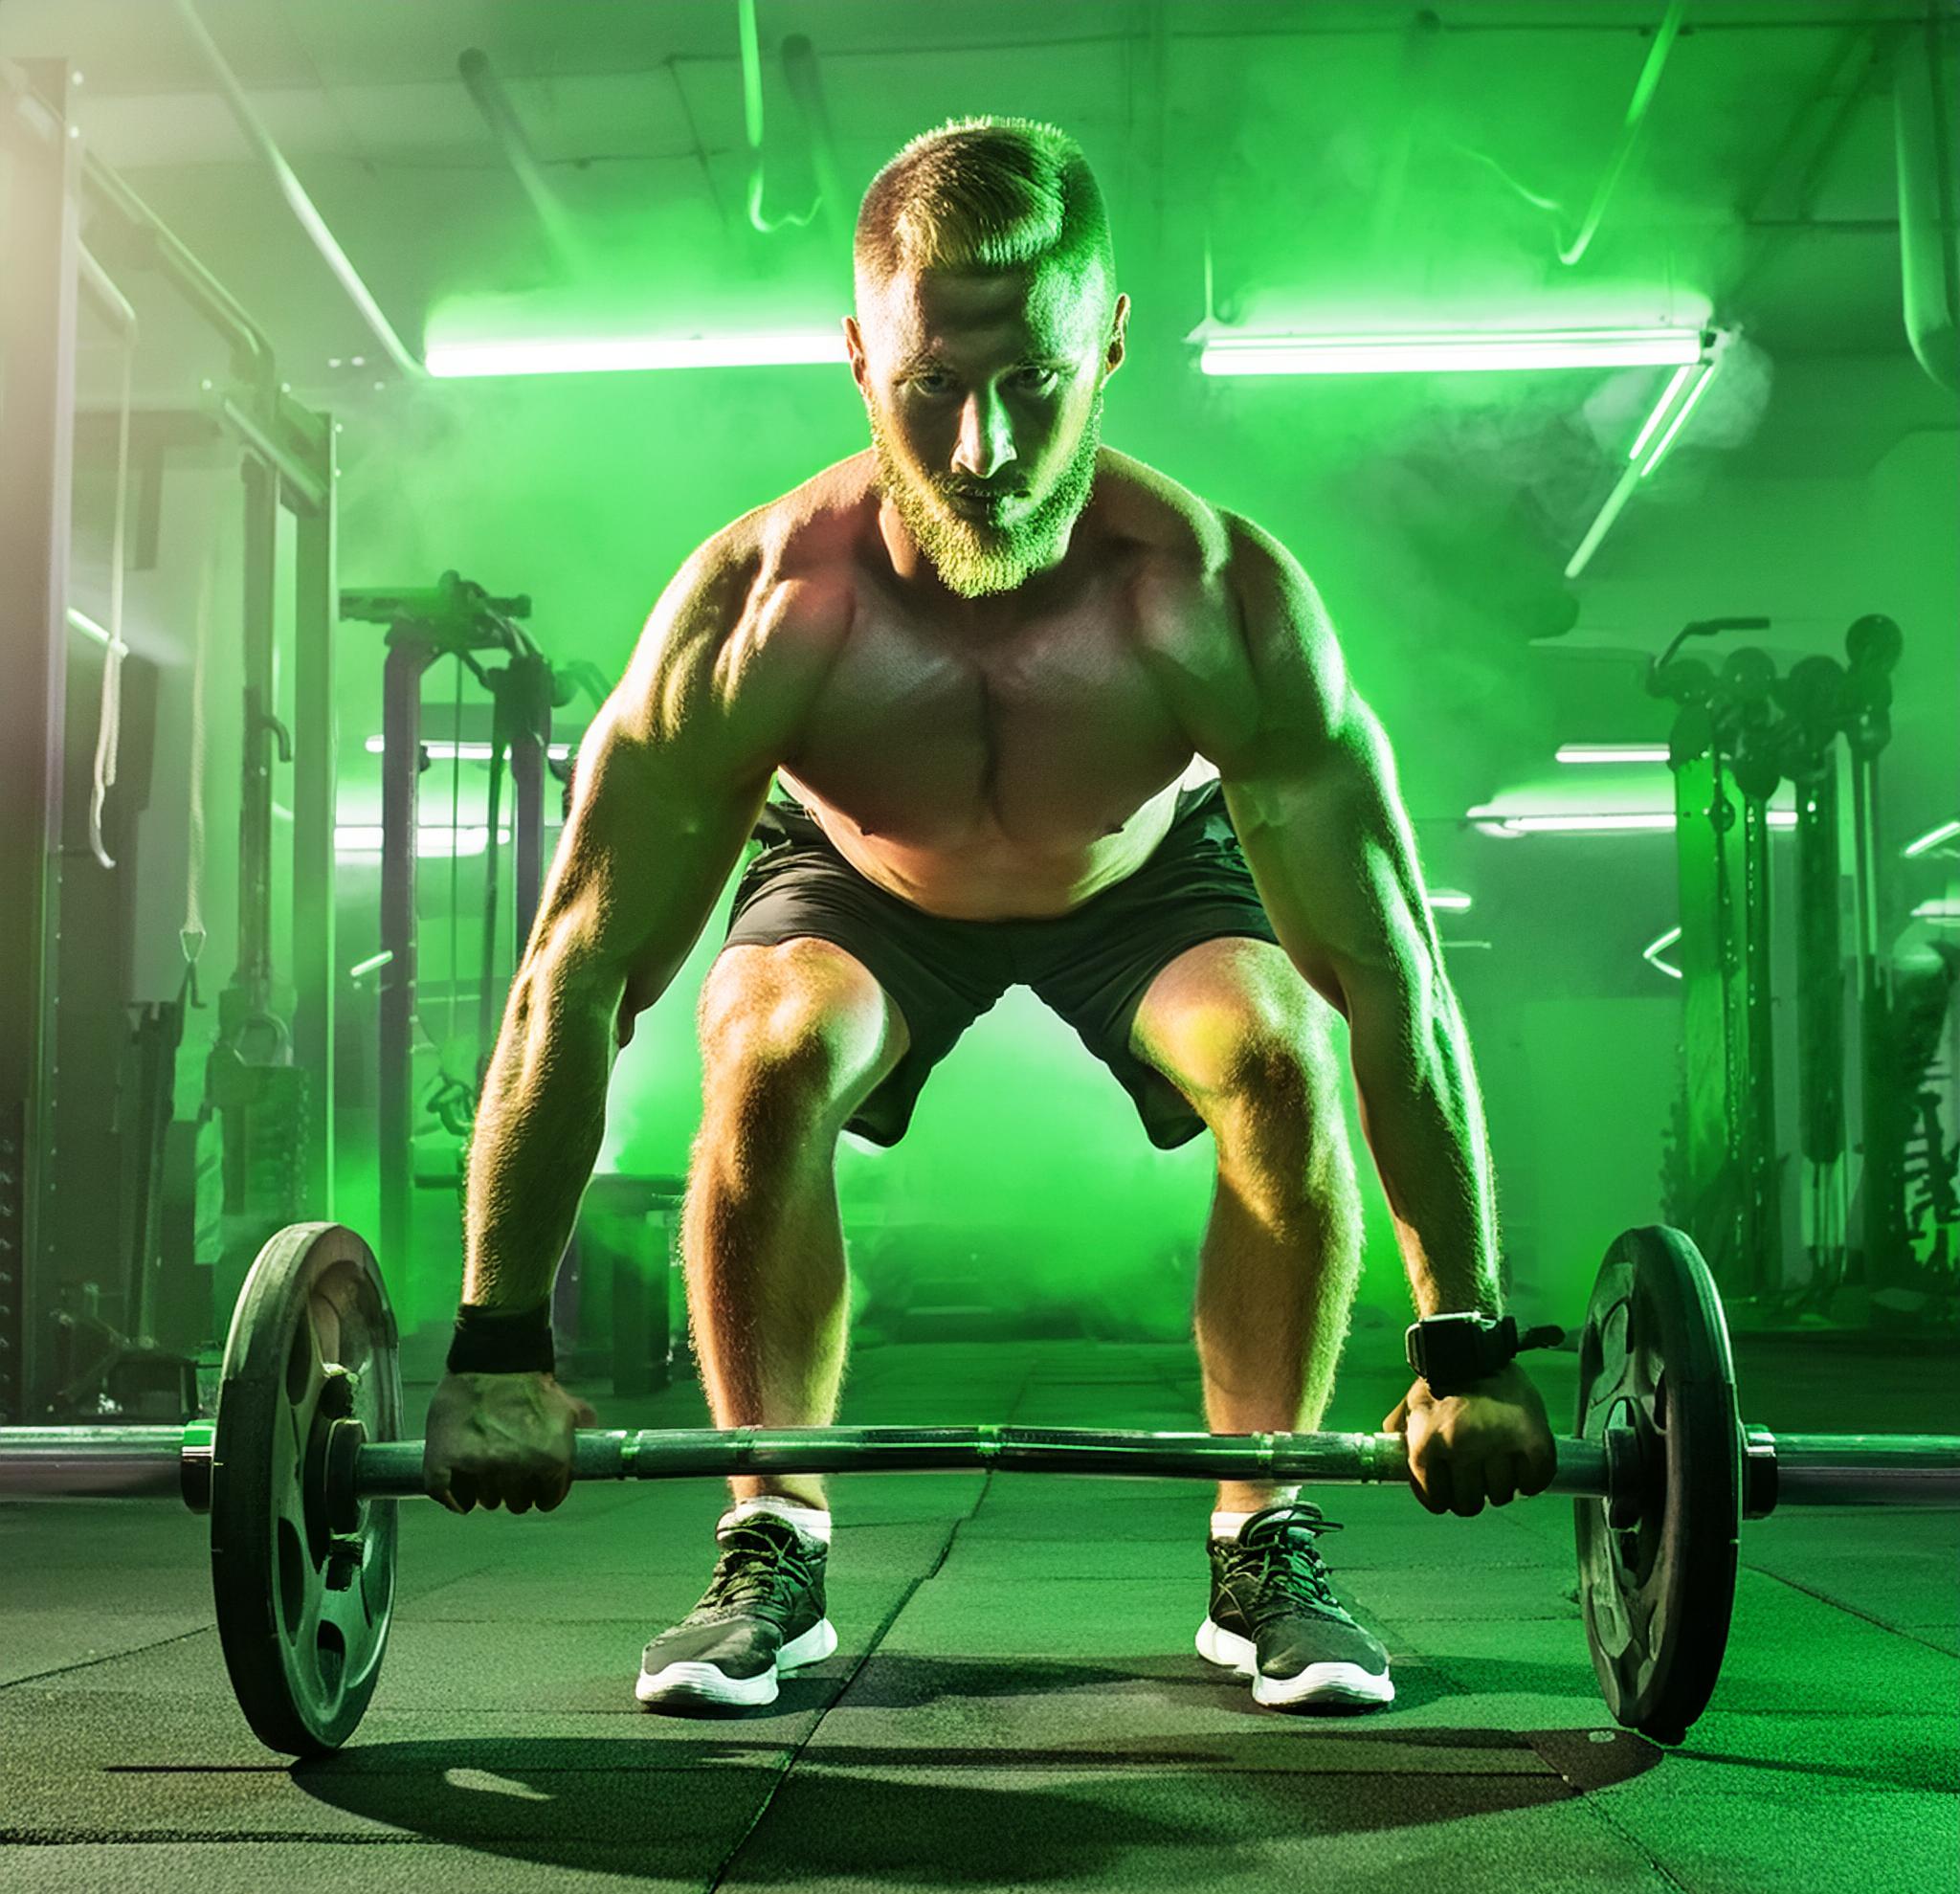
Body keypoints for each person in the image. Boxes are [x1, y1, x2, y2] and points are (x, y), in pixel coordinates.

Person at [422, 117, 1559, 1715]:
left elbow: (1393, 983)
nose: (981, 447)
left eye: (1032, 382)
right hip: (857, 878)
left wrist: (1462, 1345)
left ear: (1109, 342)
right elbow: (577, 973)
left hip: (1141, 874)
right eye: (931, 387)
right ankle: (776, 1544)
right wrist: (495, 1346)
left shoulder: (1217, 602)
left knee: (1287, 1044)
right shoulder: (761, 611)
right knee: (762, 1042)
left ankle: (1263, 1542)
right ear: (857, 357)